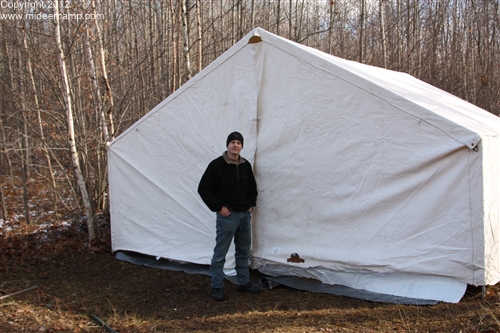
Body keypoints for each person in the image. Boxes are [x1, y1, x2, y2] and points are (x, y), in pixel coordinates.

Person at [198, 131, 260, 301]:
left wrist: (250, 204)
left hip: (244, 216)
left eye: (239, 142)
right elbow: (203, 188)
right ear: (227, 145)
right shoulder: (217, 166)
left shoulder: (246, 165)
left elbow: (252, 189)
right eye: (232, 142)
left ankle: (243, 283)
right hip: (228, 216)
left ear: (242, 146)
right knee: (220, 252)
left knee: (243, 251)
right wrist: (218, 207)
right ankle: (217, 286)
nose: (235, 145)